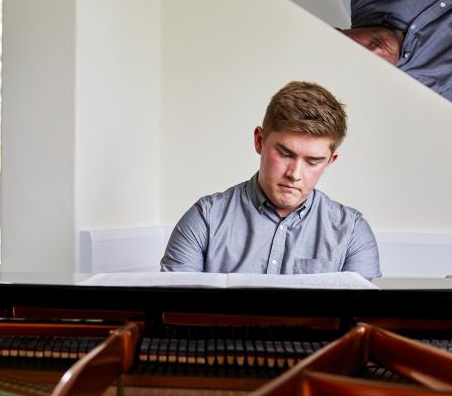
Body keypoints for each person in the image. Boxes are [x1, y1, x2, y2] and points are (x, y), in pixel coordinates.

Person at [160, 81, 381, 279]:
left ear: (330, 162)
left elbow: (364, 320)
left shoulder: (352, 232)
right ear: (259, 140)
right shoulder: (205, 220)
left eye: (313, 161)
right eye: (285, 154)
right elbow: (173, 313)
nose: (294, 174)